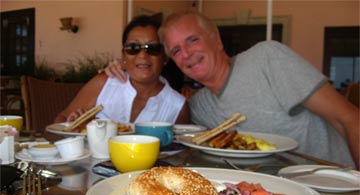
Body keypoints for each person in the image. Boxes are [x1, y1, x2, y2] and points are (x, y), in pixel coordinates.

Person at [105, 11, 359, 169]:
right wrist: (122, 70)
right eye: (177, 50)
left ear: (216, 40)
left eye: (192, 40)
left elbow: (349, 118)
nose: (187, 54)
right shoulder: (198, 106)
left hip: (339, 193)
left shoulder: (267, 58)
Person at [54, 15, 189, 125]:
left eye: (152, 48)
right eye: (133, 48)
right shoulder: (104, 83)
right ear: (124, 54)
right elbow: (61, 119)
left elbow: (180, 153)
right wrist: (72, 125)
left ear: (164, 57)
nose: (142, 55)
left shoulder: (177, 106)